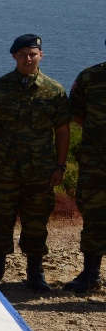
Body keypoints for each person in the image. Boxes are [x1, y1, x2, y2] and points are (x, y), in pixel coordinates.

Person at [0, 34, 71, 291]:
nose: (28, 59)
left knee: (36, 219)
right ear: (14, 57)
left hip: (40, 170)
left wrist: (60, 167)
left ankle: (35, 271)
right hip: (2, 169)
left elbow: (62, 130)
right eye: (22, 55)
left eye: (32, 54)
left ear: (41, 55)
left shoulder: (54, 90)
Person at [66, 39, 106, 294]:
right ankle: (91, 274)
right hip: (96, 161)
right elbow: (76, 112)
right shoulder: (90, 77)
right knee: (93, 215)